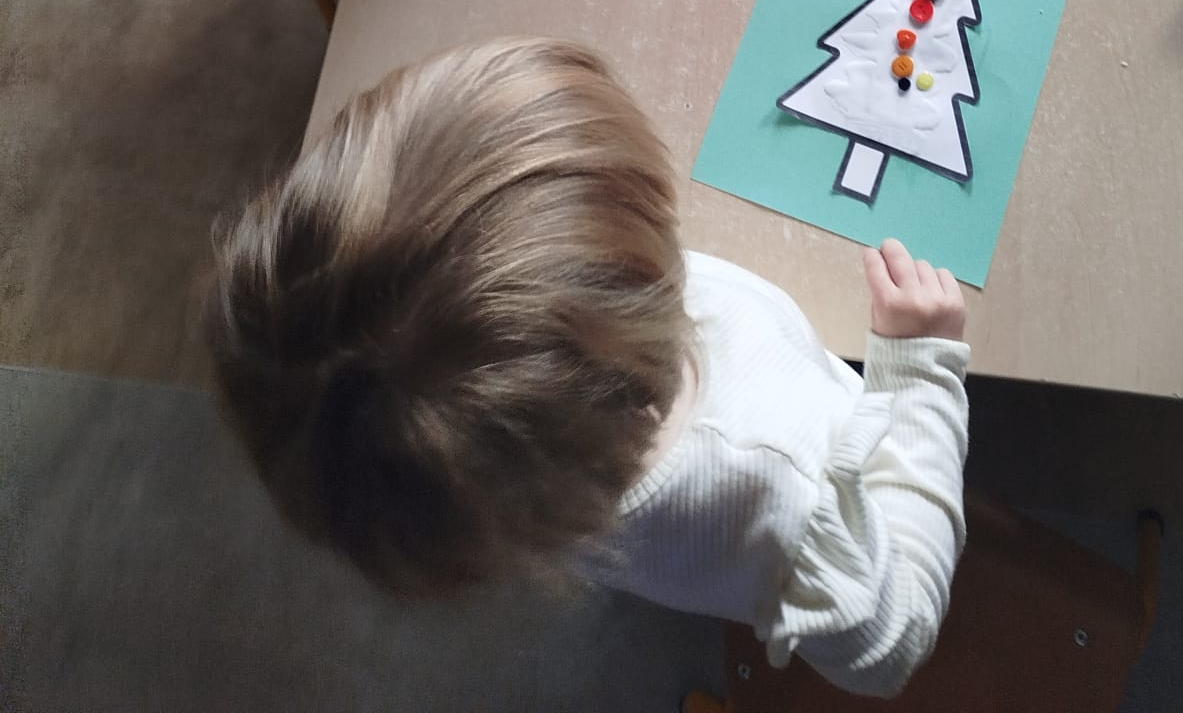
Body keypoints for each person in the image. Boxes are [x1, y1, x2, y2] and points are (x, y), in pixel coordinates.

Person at [207, 36, 970, 699]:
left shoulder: (493, 477)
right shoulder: (777, 482)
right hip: (844, 472)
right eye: (647, 225)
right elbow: (892, 641)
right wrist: (919, 372)